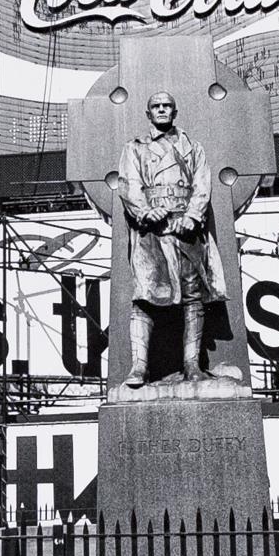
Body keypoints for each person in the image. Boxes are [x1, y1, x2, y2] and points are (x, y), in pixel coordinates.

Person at [117, 91, 227, 387]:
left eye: (167, 106)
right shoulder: (135, 148)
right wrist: (144, 211)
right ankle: (139, 367)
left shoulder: (193, 147)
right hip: (150, 232)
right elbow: (128, 184)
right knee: (145, 296)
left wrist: (192, 216)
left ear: (175, 112)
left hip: (185, 230)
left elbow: (202, 185)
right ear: (148, 113)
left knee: (193, 297)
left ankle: (192, 365)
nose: (162, 110)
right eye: (156, 106)